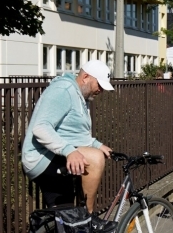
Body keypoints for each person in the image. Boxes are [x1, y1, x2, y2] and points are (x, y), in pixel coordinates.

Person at [22, 60, 114, 213]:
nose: (100, 91)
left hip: (52, 153)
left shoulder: (81, 95)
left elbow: (72, 131)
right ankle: (88, 216)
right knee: (95, 158)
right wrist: (69, 151)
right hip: (40, 158)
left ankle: (78, 220)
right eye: (99, 85)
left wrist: (96, 144)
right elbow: (41, 128)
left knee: (66, 214)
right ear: (85, 77)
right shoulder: (63, 91)